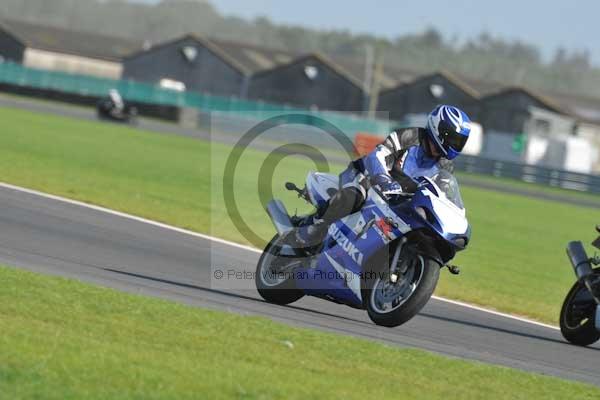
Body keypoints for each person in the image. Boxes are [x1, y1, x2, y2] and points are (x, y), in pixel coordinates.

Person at [292, 104, 472, 248]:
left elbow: (441, 195)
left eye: (459, 142)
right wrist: (383, 179)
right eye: (452, 138)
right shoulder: (409, 137)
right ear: (438, 128)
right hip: (366, 176)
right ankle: (316, 229)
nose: (453, 144)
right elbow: (377, 155)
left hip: (396, 200)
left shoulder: (445, 166)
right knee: (356, 194)